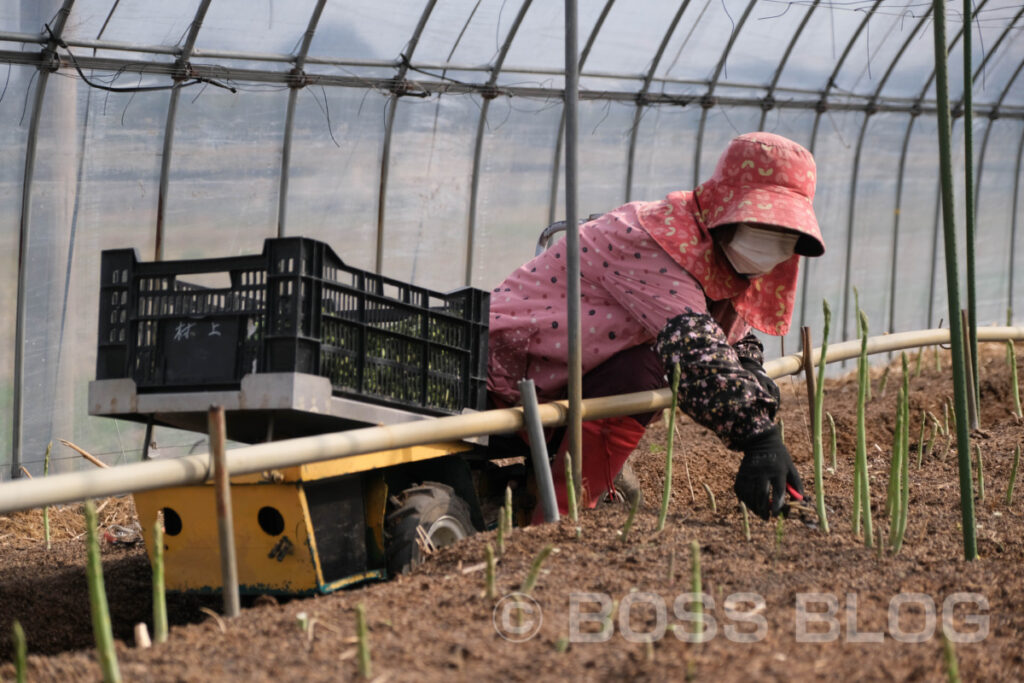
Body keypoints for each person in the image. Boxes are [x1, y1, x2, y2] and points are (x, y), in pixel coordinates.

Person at [486, 131, 825, 522]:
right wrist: (760, 438)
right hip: (515, 370)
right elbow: (696, 353)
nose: (774, 245)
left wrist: (750, 370)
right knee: (650, 369)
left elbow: (730, 332)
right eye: (762, 226)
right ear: (725, 209)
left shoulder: (721, 256)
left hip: (575, 374)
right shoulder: (656, 241)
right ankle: (557, 516)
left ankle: (564, 494)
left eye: (786, 235)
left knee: (648, 368)